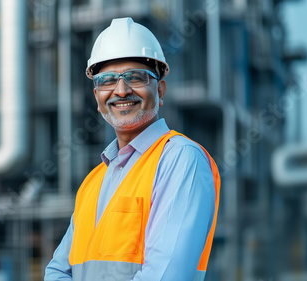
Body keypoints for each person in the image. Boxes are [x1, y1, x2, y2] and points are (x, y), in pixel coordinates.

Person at [44, 17, 220, 281]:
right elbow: (57, 272)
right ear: (97, 98)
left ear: (160, 90)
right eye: (107, 80)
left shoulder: (181, 159)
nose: (121, 90)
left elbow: (165, 275)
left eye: (135, 77)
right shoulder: (93, 182)